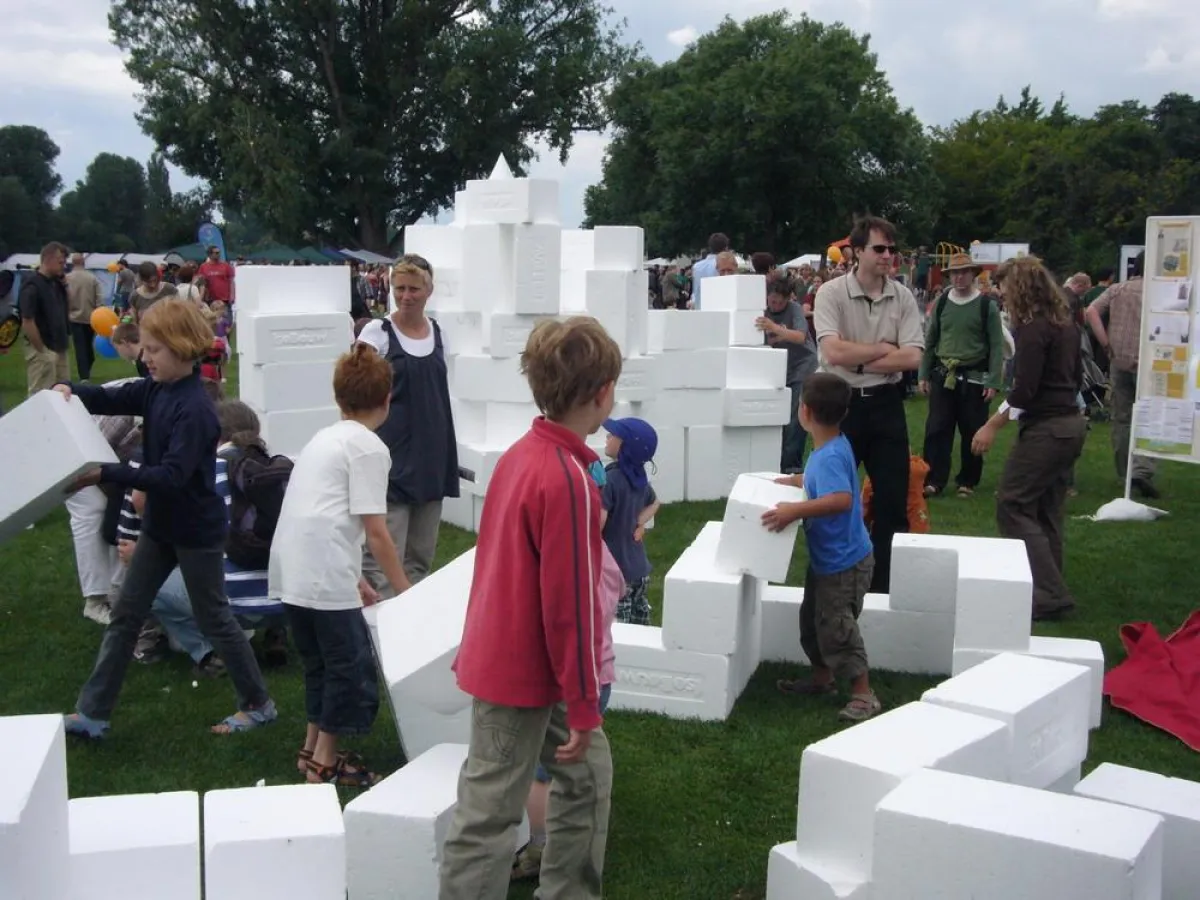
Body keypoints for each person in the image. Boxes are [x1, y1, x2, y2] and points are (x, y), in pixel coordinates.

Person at [438, 317, 619, 900]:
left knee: (586, 778)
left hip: (516, 657)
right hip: (526, 668)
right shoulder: (565, 478)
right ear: (601, 393)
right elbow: (570, 607)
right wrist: (586, 703)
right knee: (490, 812)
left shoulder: (525, 451)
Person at [57, 299, 278, 739]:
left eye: (154, 349)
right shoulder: (156, 389)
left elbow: (172, 476)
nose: (145, 356)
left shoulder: (195, 409)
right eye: (145, 347)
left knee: (214, 617)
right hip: (161, 526)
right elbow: (110, 395)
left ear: (180, 348)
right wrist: (70, 388)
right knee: (127, 613)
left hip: (196, 531)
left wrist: (106, 472)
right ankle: (93, 714)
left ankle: (258, 704)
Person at [271, 344, 411, 786]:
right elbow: (376, 531)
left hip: (293, 565)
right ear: (387, 398)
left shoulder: (323, 437)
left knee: (318, 663)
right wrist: (405, 590)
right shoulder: (368, 447)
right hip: (323, 568)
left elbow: (322, 513)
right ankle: (324, 764)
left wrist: (357, 580)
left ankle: (310, 750)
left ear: (339, 399)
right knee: (347, 668)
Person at [512, 464, 623, 884]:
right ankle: (572, 836)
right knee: (579, 763)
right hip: (602, 674)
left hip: (575, 679)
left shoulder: (575, 564)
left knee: (545, 771)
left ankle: (542, 846)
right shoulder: (602, 553)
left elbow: (566, 624)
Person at [812, 216, 924, 593]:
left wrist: (855, 358)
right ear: (857, 251)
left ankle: (882, 589)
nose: (888, 256)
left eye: (892, 249)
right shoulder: (831, 293)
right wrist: (878, 351)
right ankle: (828, 584)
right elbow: (831, 351)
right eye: (879, 249)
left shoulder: (903, 296)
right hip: (840, 404)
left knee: (893, 501)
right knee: (832, 499)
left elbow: (912, 358)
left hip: (886, 404)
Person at [971, 257, 1086, 621]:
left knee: (1013, 504)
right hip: (1071, 424)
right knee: (1046, 509)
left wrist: (992, 424)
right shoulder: (1065, 325)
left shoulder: (1033, 329)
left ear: (1018, 287)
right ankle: (1049, 587)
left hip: (1048, 428)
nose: (1001, 296)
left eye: (1003, 288)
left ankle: (1048, 592)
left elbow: (1025, 389)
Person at [764, 373, 880, 722]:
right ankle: (822, 678)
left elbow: (842, 498)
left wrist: (795, 511)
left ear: (806, 411)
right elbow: (820, 480)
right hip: (828, 560)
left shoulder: (829, 455)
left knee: (837, 625)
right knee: (812, 621)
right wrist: (794, 482)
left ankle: (863, 693)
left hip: (844, 564)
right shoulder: (828, 447)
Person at [357, 258, 459, 587]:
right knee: (383, 558)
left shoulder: (439, 334)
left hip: (432, 458)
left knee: (421, 558)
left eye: (414, 289)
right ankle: (376, 631)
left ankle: (412, 628)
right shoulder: (377, 333)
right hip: (392, 461)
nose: (406, 296)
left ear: (428, 291)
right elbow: (357, 388)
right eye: (399, 288)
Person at [918, 253, 1005, 498]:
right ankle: (934, 479)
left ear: (973, 274)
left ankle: (968, 480)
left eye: (963, 272)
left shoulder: (986, 305)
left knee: (972, 430)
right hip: (943, 375)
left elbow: (996, 344)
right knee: (937, 429)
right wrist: (923, 374)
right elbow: (931, 339)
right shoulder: (942, 302)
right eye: (954, 273)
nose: (958, 277)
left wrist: (994, 381)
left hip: (975, 377)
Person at [1085, 253, 1157, 499]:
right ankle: (1141, 470)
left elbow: (1091, 311)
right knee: (1150, 415)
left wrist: (1105, 343)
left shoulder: (1117, 290)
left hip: (1119, 360)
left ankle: (1124, 472)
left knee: (1122, 418)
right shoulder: (1160, 291)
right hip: (1151, 363)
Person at [599, 417, 660, 625]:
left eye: (613, 435)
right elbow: (655, 503)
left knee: (619, 630)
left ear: (624, 446)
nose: (607, 437)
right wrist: (639, 522)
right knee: (639, 624)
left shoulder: (609, 480)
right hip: (639, 570)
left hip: (616, 571)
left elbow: (599, 520)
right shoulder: (639, 479)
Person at [758, 278, 819, 472]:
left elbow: (800, 337)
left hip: (802, 366)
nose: (774, 306)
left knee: (795, 418)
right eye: (772, 301)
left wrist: (775, 328)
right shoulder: (761, 309)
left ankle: (791, 466)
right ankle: (773, 461)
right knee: (776, 416)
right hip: (777, 368)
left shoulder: (794, 309)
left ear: (787, 299)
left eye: (779, 302)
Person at [19, 241, 71, 395]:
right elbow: (27, 321)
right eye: (61, 262)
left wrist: (65, 285)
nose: (64, 266)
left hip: (59, 345)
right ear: (48, 259)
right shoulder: (32, 286)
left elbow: (68, 306)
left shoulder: (56, 283)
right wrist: (41, 350)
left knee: (63, 391)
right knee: (41, 393)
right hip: (42, 347)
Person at [65, 253, 103, 382]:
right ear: (84, 262)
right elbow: (99, 298)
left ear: (72, 263)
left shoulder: (67, 278)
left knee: (80, 347)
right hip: (90, 317)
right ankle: (85, 374)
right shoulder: (92, 278)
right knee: (87, 346)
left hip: (74, 317)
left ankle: (84, 374)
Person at [690, 232, 729, 310]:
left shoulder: (696, 266)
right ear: (726, 248)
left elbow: (696, 289)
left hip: (700, 308)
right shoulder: (724, 264)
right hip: (719, 308)